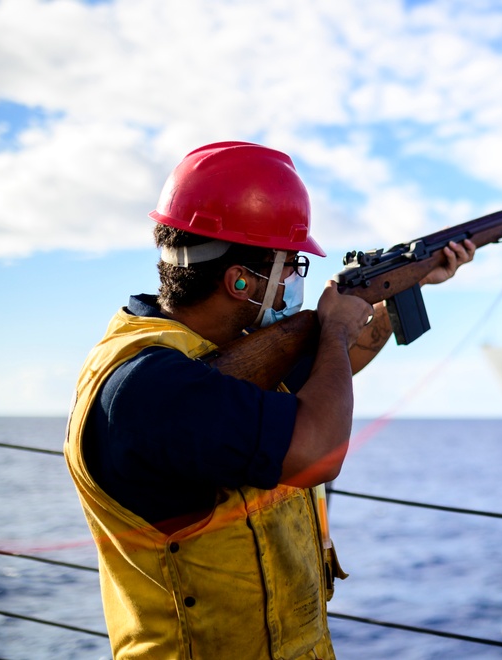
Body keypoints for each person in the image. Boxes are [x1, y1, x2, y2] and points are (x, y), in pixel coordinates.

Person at [63, 141, 475, 659]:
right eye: (293, 265)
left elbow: (331, 375)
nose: (298, 281)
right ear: (240, 279)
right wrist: (333, 328)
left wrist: (394, 295)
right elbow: (319, 450)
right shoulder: (150, 387)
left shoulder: (217, 357)